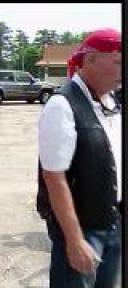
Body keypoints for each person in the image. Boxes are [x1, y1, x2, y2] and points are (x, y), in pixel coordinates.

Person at [37, 28, 122, 288]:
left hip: (113, 224)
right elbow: (54, 177)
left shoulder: (111, 102)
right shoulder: (62, 105)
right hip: (82, 230)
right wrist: (74, 240)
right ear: (91, 60)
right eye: (119, 61)